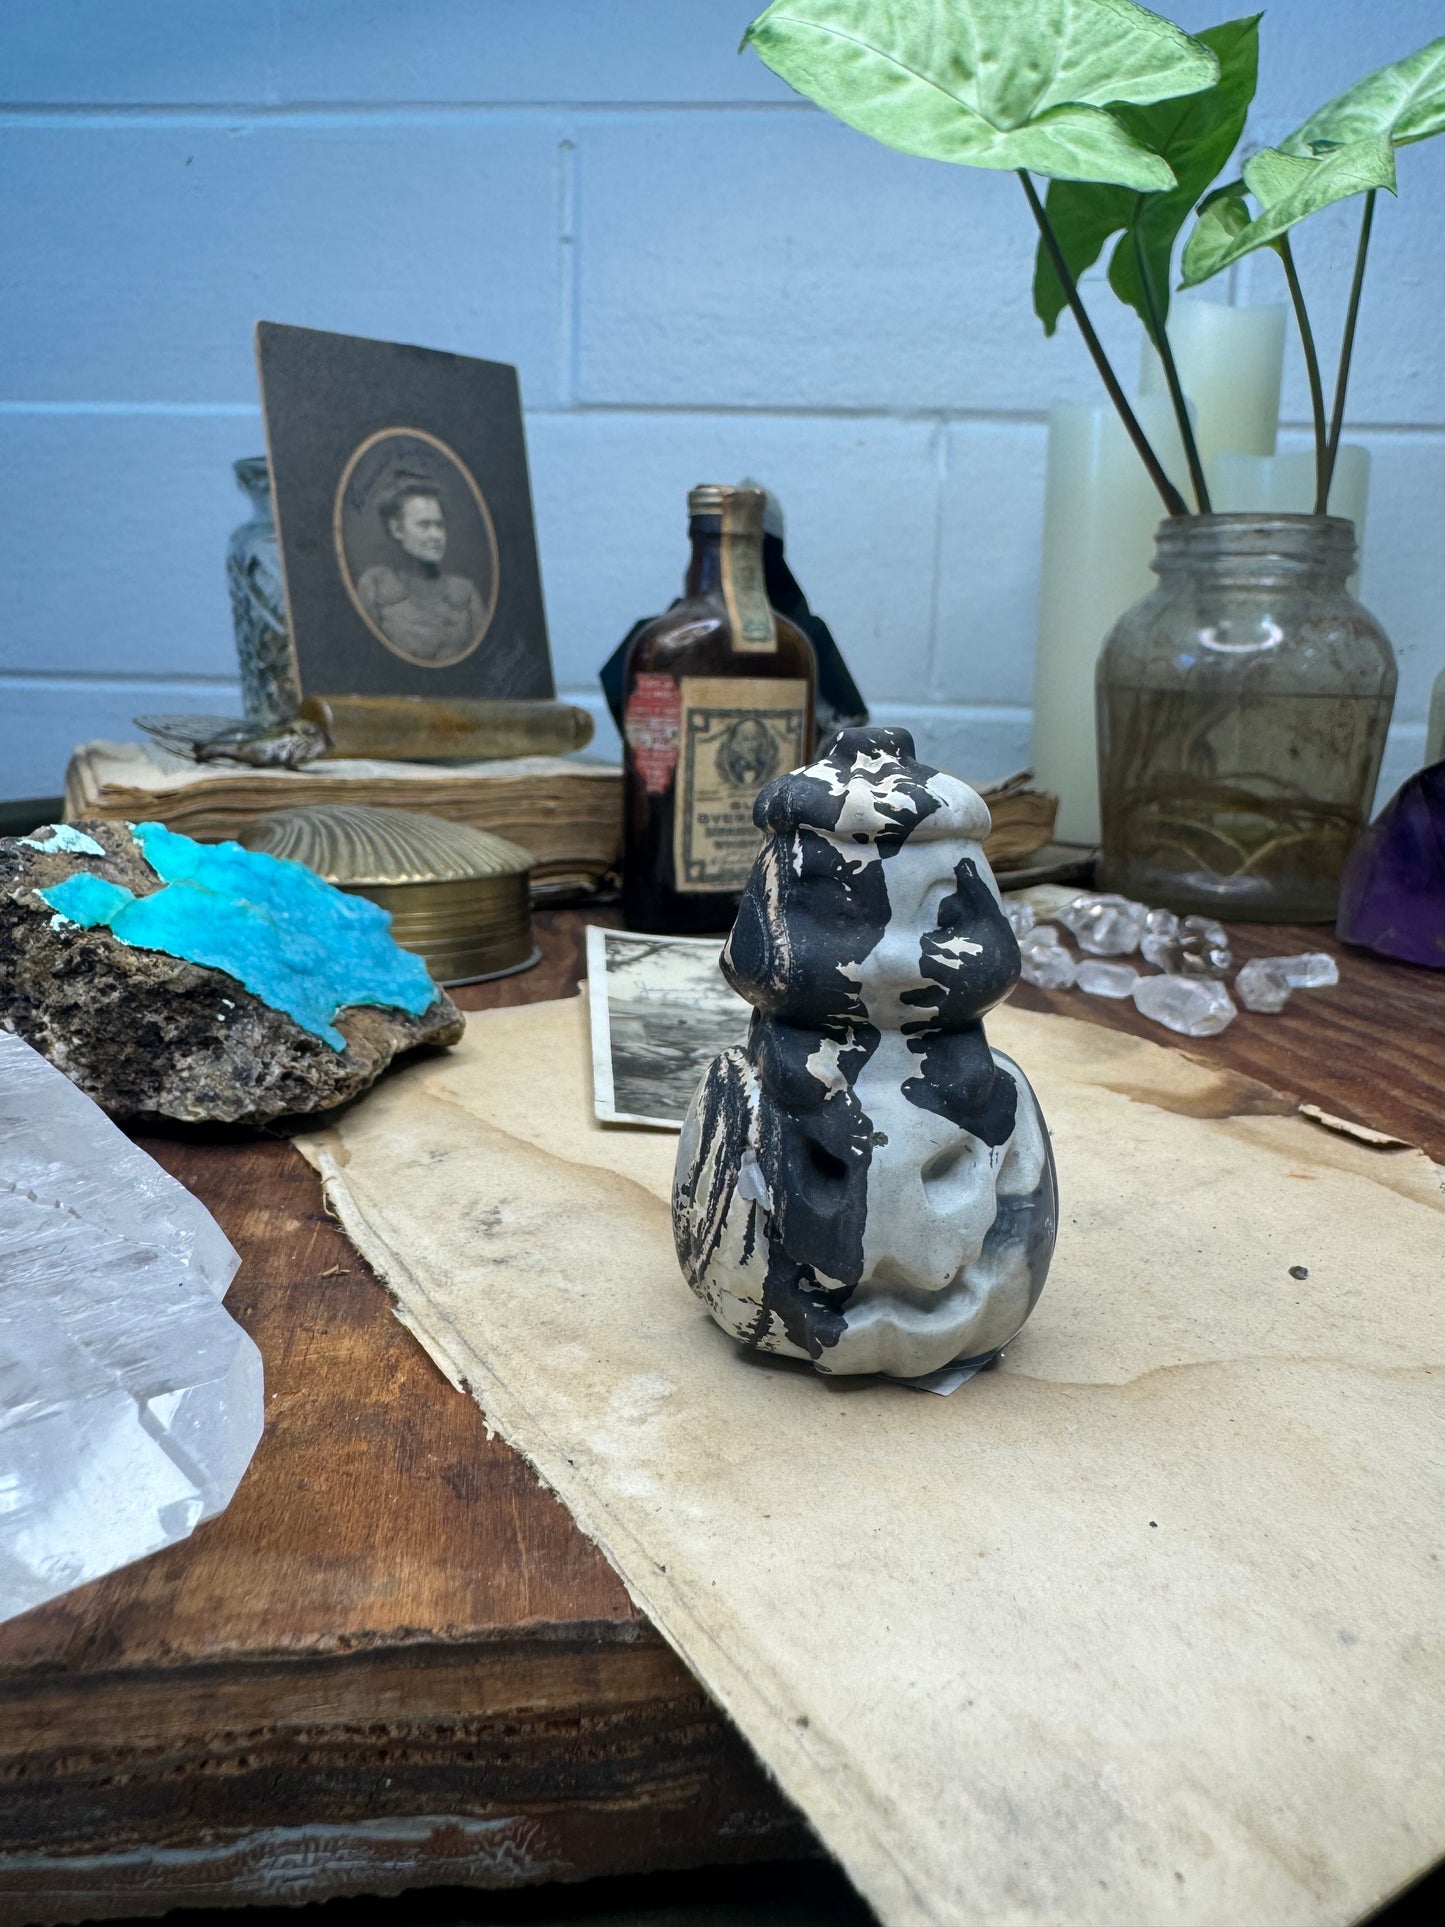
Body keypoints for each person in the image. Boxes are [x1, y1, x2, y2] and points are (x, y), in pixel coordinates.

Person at [356, 474, 486, 665]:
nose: (436, 536)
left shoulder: (465, 593)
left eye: (439, 526)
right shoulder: (375, 588)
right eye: (424, 525)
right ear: (397, 529)